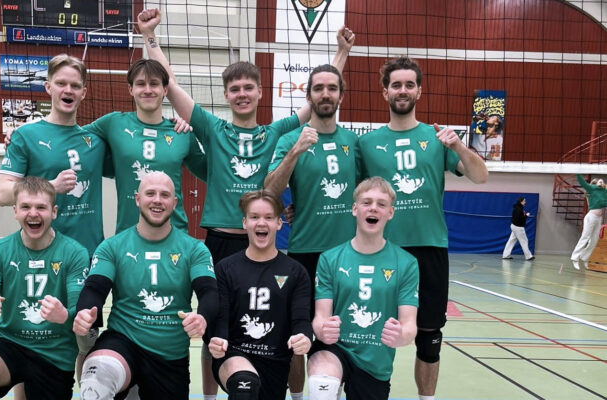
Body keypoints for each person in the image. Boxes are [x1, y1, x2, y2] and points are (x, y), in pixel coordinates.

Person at [136, 9, 354, 399]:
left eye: (248, 87)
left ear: (259, 93)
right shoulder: (213, 128)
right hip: (220, 244)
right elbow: (170, 86)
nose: (241, 94)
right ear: (226, 95)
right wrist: (150, 36)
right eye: (234, 88)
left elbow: (321, 95)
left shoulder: (276, 131)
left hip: (263, 244)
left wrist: (341, 53)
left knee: (278, 329)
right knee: (214, 330)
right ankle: (210, 395)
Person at [356, 56, 488, 400]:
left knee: (429, 339)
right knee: (370, 334)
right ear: (385, 92)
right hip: (382, 251)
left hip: (429, 249)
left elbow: (480, 176)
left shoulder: (436, 138)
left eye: (409, 84)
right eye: (396, 85)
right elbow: (349, 195)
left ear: (419, 91)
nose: (402, 90)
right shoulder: (367, 143)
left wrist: (457, 144)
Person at [72, 171, 218, 400]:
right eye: (150, 193)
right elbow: (95, 288)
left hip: (170, 354)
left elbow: (208, 291)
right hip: (123, 341)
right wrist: (84, 312)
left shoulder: (194, 249)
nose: (157, 200)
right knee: (96, 379)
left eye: (164, 195)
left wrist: (203, 318)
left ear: (174, 203)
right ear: (138, 199)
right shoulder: (113, 246)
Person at [0, 176, 89, 400]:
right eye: (26, 207)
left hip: (54, 354)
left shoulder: (74, 253)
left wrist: (65, 315)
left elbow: (80, 316)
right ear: (15, 211)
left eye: (41, 207)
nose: (33, 213)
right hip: (9, 343)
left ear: (54, 212)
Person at [307, 177, 419, 400]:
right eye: (367, 202)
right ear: (355, 209)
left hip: (375, 360)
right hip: (336, 348)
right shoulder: (330, 259)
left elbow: (409, 325)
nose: (373, 208)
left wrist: (401, 336)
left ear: (390, 212)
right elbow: (320, 317)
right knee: (322, 383)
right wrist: (322, 330)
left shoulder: (406, 263)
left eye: (381, 204)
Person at [264, 63, 361, 311]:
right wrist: (295, 151)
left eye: (332, 88)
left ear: (341, 95)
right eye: (318, 89)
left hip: (347, 252)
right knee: (301, 327)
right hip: (304, 250)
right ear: (308, 96)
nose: (325, 94)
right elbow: (270, 192)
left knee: (343, 326)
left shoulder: (354, 142)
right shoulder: (289, 140)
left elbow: (366, 192)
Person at [0, 54, 108, 257]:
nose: (68, 90)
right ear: (48, 87)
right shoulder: (25, 136)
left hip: (89, 254)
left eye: (75, 86)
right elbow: (2, 195)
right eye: (61, 83)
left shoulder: (96, 141)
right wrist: (51, 187)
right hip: (43, 253)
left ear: (83, 93)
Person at [83, 58, 207, 234]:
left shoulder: (182, 132)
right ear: (130, 89)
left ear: (165, 90)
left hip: (175, 234)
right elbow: (74, 136)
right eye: (141, 84)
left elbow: (208, 172)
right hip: (129, 234)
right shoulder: (113, 123)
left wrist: (213, 136)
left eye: (154, 84)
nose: (148, 90)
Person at [208, 190, 312, 400]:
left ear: (279, 223)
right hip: (235, 355)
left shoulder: (295, 272)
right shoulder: (226, 268)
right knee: (244, 386)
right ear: (245, 222)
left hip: (275, 361)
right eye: (254, 217)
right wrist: (217, 339)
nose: (261, 223)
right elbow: (221, 318)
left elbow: (300, 319)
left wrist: (304, 336)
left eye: (269, 217)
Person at [571, 175, 607, 270]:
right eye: (599, 181)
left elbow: (605, 202)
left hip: (598, 219)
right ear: (596, 183)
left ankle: (584, 257)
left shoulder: (604, 192)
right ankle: (575, 258)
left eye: (602, 181)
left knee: (594, 240)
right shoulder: (591, 189)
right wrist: (578, 173)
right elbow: (583, 183)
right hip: (591, 217)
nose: (601, 182)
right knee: (585, 237)